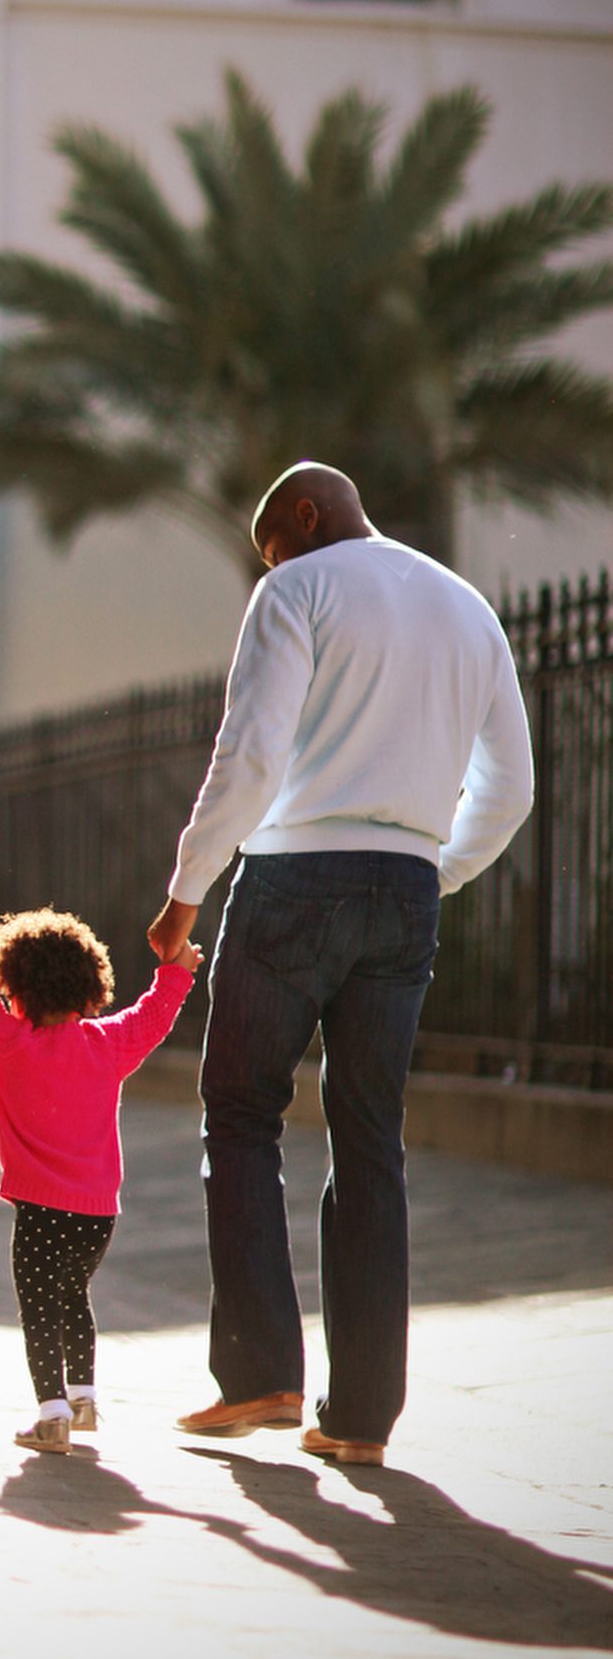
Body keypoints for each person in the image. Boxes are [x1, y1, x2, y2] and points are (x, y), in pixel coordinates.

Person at [149, 462, 534, 1467]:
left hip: (291, 881)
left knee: (240, 1111)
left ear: (303, 519)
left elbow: (253, 752)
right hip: (404, 888)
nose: (265, 565)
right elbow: (514, 786)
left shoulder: (297, 589)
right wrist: (435, 873)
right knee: (372, 1139)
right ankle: (361, 1417)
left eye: (268, 545)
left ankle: (260, 1374)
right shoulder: (466, 608)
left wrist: (188, 887)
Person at [0, 902, 202, 1453]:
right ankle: (82, 1399)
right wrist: (178, 970)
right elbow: (155, 1014)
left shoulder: (5, 1040)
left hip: (39, 1210)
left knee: (38, 1306)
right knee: (73, 1295)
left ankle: (51, 1413)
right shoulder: (110, 1044)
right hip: (99, 1215)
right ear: (90, 985)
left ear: (15, 986)